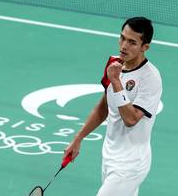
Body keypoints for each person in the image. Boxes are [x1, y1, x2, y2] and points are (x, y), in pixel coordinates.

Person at [63, 17, 162, 196]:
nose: (124, 46)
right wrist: (79, 138)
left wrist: (116, 81)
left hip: (131, 164)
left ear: (145, 47)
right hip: (109, 156)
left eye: (132, 42)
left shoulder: (150, 78)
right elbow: (103, 107)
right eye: (122, 38)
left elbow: (131, 119)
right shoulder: (114, 64)